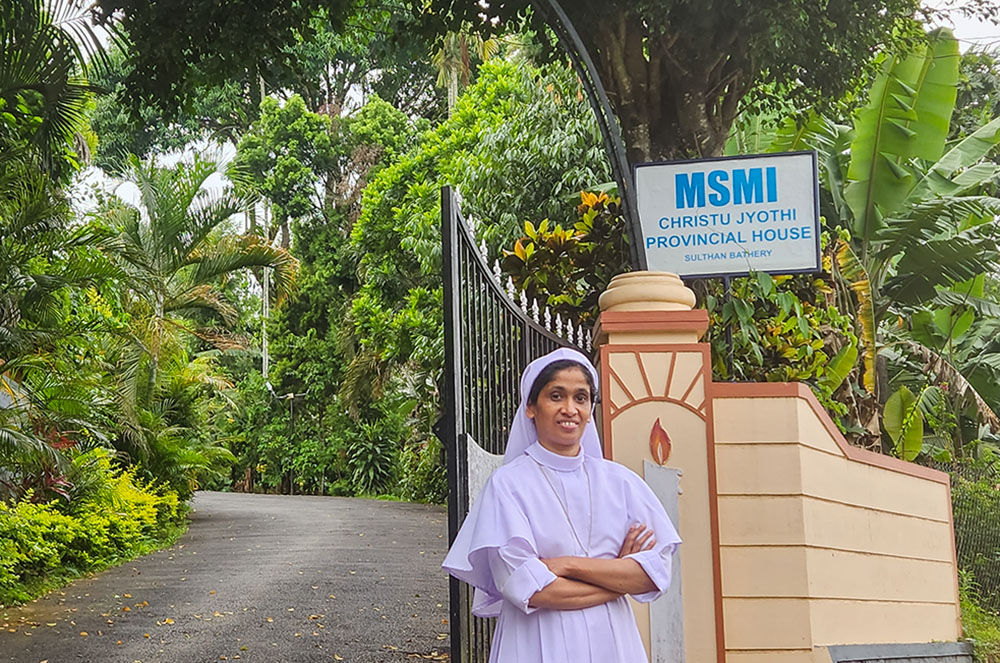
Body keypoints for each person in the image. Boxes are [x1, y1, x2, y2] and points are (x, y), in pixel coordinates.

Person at [443, 347, 681, 662]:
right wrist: (617, 577)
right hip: (535, 643)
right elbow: (530, 589)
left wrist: (566, 565)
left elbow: (654, 575)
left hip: (614, 642)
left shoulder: (622, 484)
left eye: (581, 398)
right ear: (531, 407)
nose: (570, 409)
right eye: (556, 396)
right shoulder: (508, 486)